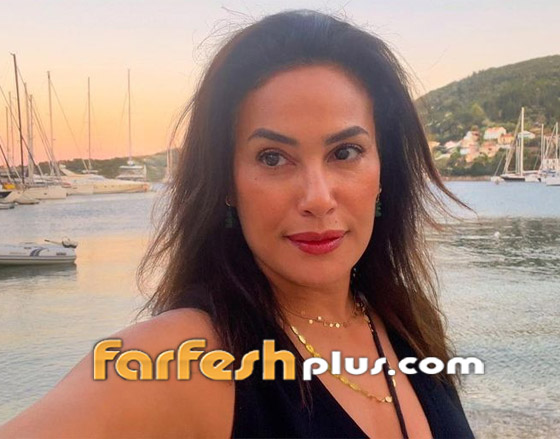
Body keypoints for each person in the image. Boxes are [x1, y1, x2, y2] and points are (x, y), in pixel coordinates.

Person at [0, 10, 475, 438]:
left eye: (345, 152)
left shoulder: (406, 324)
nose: (317, 198)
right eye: (273, 158)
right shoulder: (183, 357)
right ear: (226, 181)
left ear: (384, 170)